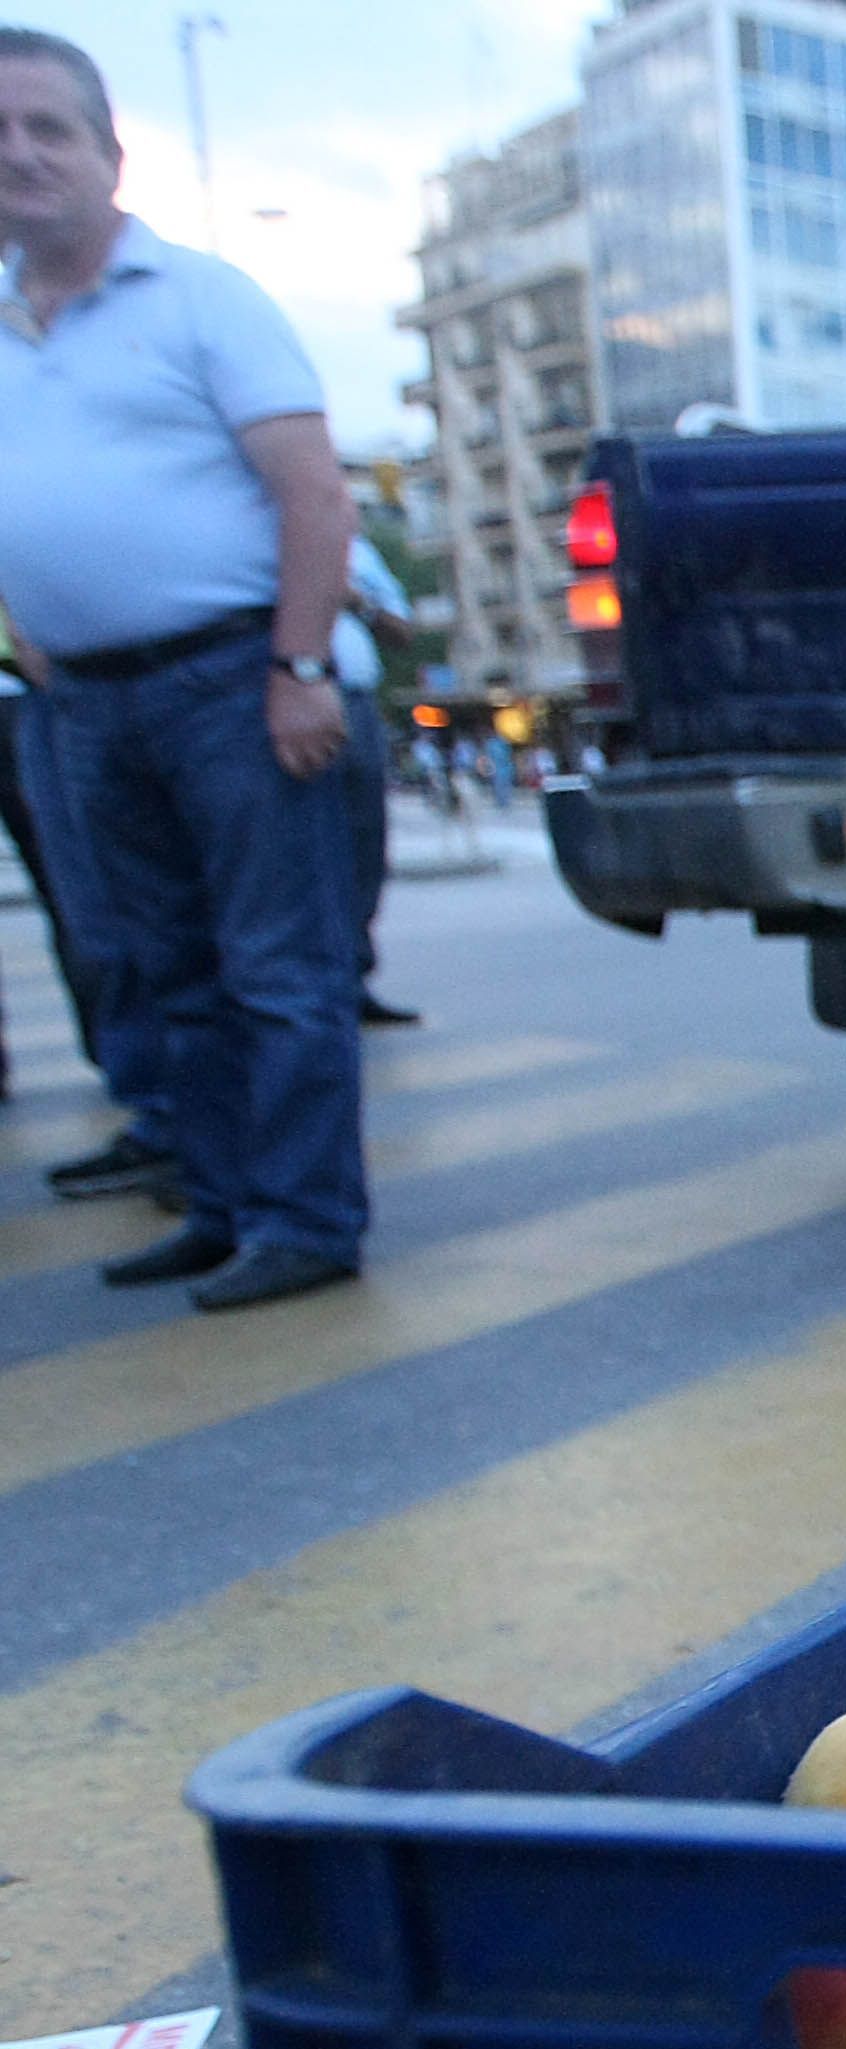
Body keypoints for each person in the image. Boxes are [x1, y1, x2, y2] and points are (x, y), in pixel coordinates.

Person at [0, 26, 368, 1309]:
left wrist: (302, 666)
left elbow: (314, 496)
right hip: (80, 701)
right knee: (159, 971)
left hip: (231, 680)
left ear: (110, 153)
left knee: (277, 967)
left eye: (48, 128)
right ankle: (218, 1205)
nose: (20, 155)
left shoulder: (203, 297)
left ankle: (307, 1219)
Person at [334, 529, 418, 1024]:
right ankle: (317, 983)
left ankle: (352, 977)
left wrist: (356, 602)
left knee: (365, 844)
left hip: (356, 702)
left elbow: (402, 631)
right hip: (277, 698)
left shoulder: (358, 551)